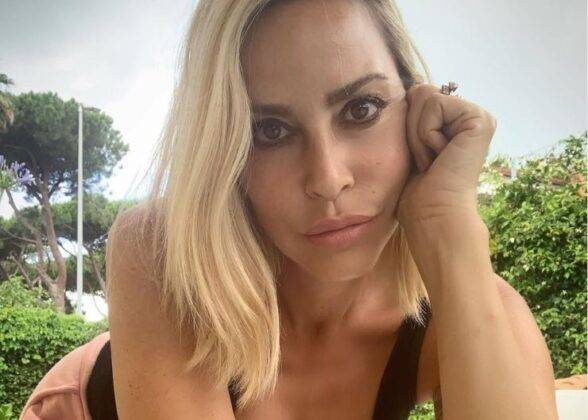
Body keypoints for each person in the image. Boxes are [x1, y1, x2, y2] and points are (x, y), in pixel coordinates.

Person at [21, 0, 558, 419]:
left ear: (417, 105)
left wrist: (447, 226)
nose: (328, 179)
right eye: (270, 131)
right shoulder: (161, 252)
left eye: (362, 108)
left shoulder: (466, 304)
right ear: (223, 151)